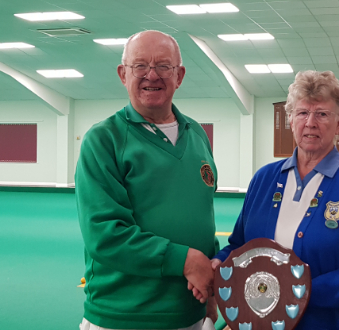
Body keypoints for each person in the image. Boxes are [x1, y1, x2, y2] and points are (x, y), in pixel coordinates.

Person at [208, 71, 339, 329]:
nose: (311, 122)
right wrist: (221, 262)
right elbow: (239, 246)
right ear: (291, 120)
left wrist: (297, 291)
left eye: (322, 114)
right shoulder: (264, 178)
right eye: (303, 113)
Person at [75, 30, 218, 330]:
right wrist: (187, 261)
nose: (151, 74)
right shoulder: (103, 140)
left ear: (179, 75)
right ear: (122, 74)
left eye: (163, 66)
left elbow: (201, 217)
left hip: (190, 311)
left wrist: (212, 275)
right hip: (125, 316)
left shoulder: (197, 135)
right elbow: (105, 234)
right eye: (140, 65)